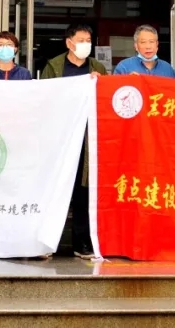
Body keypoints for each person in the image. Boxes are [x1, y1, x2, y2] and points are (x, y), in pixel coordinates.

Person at [40, 24, 106, 259]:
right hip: (61, 137)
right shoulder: (54, 67)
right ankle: (47, 242)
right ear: (69, 43)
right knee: (55, 189)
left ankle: (82, 242)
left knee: (82, 191)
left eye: (88, 40)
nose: (85, 44)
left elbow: (105, 100)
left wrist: (101, 83)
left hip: (87, 138)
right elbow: (44, 97)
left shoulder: (97, 68)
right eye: (81, 40)